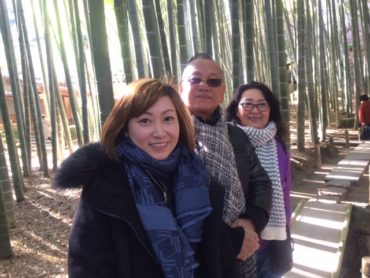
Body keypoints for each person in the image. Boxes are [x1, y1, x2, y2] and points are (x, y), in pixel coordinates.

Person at [53, 78, 244, 278]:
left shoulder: (199, 180)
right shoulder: (105, 187)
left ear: (180, 122)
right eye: (145, 121)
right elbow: (88, 268)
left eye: (168, 119)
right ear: (125, 127)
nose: (159, 132)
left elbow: (217, 258)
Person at [180, 53, 272, 277]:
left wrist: (250, 222)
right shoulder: (170, 136)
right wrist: (228, 237)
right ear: (181, 88)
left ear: (223, 91)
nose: (204, 86)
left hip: (240, 249)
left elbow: (261, 181)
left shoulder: (236, 135)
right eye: (195, 80)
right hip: (188, 253)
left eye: (213, 81)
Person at [226, 81, 292, 278]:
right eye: (248, 104)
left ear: (270, 109)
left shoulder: (279, 146)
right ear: (236, 110)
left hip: (271, 247)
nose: (255, 110)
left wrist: (285, 232)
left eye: (262, 104)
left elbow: (286, 193)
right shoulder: (225, 142)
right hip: (237, 245)